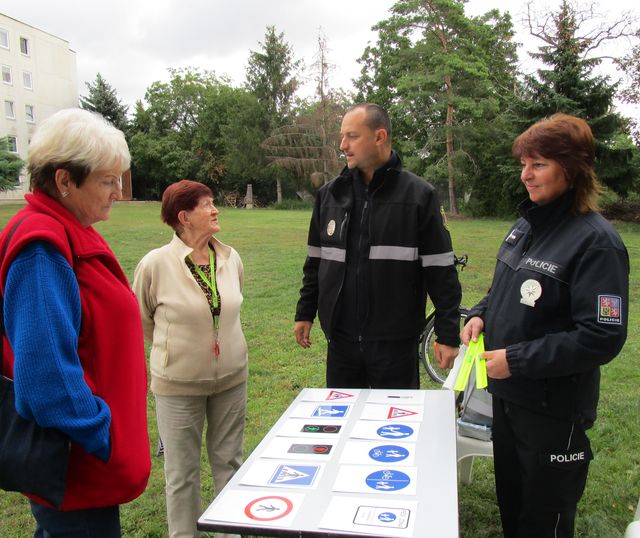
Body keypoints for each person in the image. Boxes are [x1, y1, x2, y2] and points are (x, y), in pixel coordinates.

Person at [461, 113, 629, 538]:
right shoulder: (525, 226)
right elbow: (504, 291)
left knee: (544, 522)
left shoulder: (597, 243)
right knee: (513, 507)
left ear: (571, 169)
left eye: (538, 164)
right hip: (506, 399)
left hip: (553, 412)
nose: (526, 175)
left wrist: (515, 359)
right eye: (524, 164)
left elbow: (602, 336)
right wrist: (480, 313)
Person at [0, 109, 150, 537]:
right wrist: (102, 436)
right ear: (64, 180)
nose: (118, 192)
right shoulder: (42, 247)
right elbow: (44, 380)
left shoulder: (68, 227)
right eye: (107, 181)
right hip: (79, 469)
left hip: (89, 470)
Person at [294, 103, 462, 389]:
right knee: (344, 426)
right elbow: (316, 262)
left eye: (352, 136)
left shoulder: (419, 196)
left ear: (379, 136)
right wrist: (305, 312)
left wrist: (447, 333)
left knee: (394, 431)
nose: (343, 145)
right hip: (341, 343)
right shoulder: (329, 196)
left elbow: (440, 270)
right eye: (342, 136)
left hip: (395, 346)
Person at [133, 180, 247, 538]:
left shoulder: (230, 258)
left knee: (229, 463)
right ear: (183, 217)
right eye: (206, 204)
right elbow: (143, 320)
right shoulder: (155, 264)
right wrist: (181, 350)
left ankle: (230, 532)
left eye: (214, 202)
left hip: (231, 379)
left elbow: (231, 306)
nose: (215, 210)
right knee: (182, 474)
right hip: (177, 387)